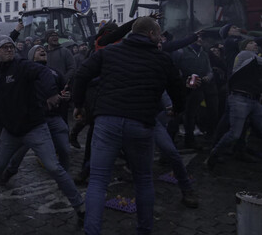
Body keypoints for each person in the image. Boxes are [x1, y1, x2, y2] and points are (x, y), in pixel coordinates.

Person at [73, 17, 186, 235]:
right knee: (143, 180)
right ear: (152, 34)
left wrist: (79, 105)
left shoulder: (108, 52)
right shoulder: (162, 59)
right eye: (159, 34)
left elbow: (82, 75)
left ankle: (91, 231)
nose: (161, 38)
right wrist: (177, 109)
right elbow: (178, 88)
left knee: (97, 181)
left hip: (107, 120)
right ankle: (144, 230)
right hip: (141, 123)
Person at [0, 35, 85, 227]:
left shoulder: (22, 66)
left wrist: (52, 92)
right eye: (5, 48)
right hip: (11, 132)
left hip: (35, 128)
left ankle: (80, 206)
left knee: (54, 167)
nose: (9, 50)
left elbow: (43, 73)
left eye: (11, 47)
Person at [0, 44, 71, 184]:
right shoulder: (24, 72)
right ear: (31, 56)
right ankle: (10, 171)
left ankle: (64, 178)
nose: (42, 50)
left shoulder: (55, 72)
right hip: (33, 121)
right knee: (20, 150)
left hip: (53, 118)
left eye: (43, 49)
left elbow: (64, 90)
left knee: (64, 149)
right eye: (38, 50)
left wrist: (66, 96)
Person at [206, 39, 262, 178]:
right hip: (239, 99)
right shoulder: (245, 54)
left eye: (256, 43)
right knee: (234, 134)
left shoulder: (252, 61)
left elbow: (253, 79)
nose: (255, 44)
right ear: (245, 46)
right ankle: (214, 154)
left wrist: (259, 93)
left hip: (253, 100)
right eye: (251, 43)